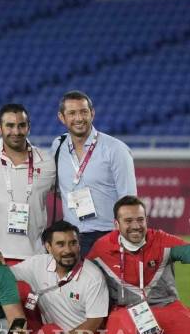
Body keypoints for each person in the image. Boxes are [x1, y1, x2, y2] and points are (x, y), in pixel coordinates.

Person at [87, 195, 190, 334]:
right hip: (126, 311)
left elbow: (188, 252)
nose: (136, 226)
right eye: (128, 221)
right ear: (116, 224)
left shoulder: (161, 240)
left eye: (140, 220)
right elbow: (83, 279)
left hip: (166, 307)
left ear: (146, 220)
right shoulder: (102, 248)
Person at [7, 220, 110, 334]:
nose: (68, 250)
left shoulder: (93, 276)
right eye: (60, 244)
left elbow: (94, 322)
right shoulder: (37, 264)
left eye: (73, 243)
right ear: (48, 247)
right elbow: (5, 275)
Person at [51, 91, 136, 257]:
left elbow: (129, 199)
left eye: (84, 112)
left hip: (107, 235)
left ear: (92, 113)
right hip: (72, 238)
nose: (79, 118)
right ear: (62, 117)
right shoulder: (58, 146)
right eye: (72, 113)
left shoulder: (116, 149)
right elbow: (58, 188)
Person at [0, 104, 56, 264]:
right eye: (10, 126)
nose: (16, 132)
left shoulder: (46, 161)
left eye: (21, 125)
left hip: (35, 256)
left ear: (29, 127)